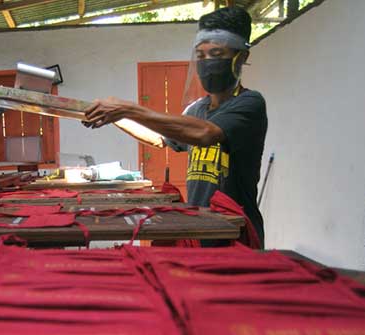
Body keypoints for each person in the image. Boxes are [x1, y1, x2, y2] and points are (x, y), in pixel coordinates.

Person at [82, 6, 268, 246]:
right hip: (202, 228)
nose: (207, 62)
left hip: (236, 232)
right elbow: (158, 138)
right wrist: (115, 117)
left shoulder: (249, 103)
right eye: (200, 55)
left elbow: (205, 133)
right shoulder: (196, 109)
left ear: (241, 57)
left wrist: (127, 108)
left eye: (216, 53)